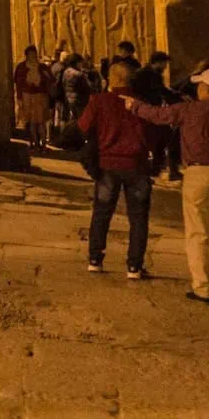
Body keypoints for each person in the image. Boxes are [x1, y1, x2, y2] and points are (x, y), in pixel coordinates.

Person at [126, 66, 209, 305]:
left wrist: (134, 106)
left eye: (200, 85)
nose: (197, 89)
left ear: (208, 88)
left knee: (198, 234)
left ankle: (202, 288)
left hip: (197, 174)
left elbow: (158, 116)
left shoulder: (190, 110)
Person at [76, 61, 154, 277]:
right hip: (136, 165)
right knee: (138, 217)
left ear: (113, 79)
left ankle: (95, 259)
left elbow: (83, 126)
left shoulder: (100, 101)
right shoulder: (140, 104)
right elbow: (152, 134)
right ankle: (134, 266)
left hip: (107, 165)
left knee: (101, 212)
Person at [137, 51, 182, 181]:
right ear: (159, 62)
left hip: (149, 111)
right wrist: (177, 98)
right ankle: (164, 170)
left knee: (161, 140)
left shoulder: (146, 73)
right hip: (150, 112)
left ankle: (156, 169)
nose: (166, 66)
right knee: (165, 139)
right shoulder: (150, 75)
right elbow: (161, 91)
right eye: (165, 63)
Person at [13, 45, 54, 151]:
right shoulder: (22, 67)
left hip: (40, 96)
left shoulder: (42, 67)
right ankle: (35, 143)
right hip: (29, 96)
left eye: (34, 54)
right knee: (32, 122)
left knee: (40, 122)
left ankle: (42, 144)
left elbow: (50, 80)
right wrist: (19, 98)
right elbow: (18, 84)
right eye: (31, 55)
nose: (33, 56)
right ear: (27, 55)